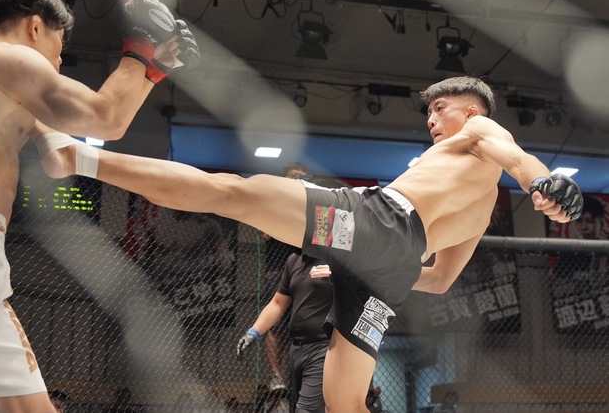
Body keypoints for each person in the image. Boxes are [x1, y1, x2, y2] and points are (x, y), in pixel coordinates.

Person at [35, 76, 582, 412]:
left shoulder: (480, 132)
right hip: (388, 270)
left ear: (472, 112)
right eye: (430, 112)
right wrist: (359, 264)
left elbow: (519, 159)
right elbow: (438, 279)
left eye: (441, 108)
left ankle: (77, 157)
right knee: (346, 405)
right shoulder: (482, 211)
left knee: (230, 193)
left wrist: (544, 183)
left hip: (377, 224)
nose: (432, 119)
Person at [0, 0, 199, 413]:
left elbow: (69, 150)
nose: (60, 60)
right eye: (59, 45)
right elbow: (104, 117)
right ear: (34, 26)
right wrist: (140, 42)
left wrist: (153, 68)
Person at [236, 253, 333, 412]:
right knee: (298, 406)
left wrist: (340, 277)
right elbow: (278, 303)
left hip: (325, 347)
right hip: (297, 349)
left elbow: (366, 283)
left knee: (307, 409)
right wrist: (253, 332)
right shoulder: (294, 260)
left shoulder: (339, 258)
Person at [259, 162, 311, 392]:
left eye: (301, 177)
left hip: (305, 268)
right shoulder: (274, 201)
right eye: (292, 176)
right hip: (278, 269)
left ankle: (306, 374)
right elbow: (265, 234)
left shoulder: (312, 204)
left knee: (307, 324)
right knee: (276, 325)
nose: (297, 180)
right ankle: (276, 377)